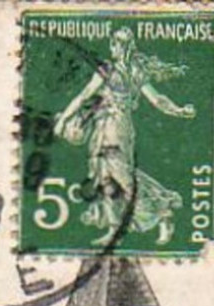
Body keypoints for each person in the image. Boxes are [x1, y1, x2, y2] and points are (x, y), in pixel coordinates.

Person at [53, 26, 196, 247]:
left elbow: (83, 97)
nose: (115, 48)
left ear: (117, 46)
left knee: (122, 177)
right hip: (110, 126)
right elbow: (158, 100)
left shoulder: (109, 71)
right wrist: (178, 110)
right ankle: (114, 230)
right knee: (106, 175)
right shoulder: (133, 71)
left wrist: (63, 120)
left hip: (114, 128)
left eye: (116, 44)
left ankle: (161, 211)